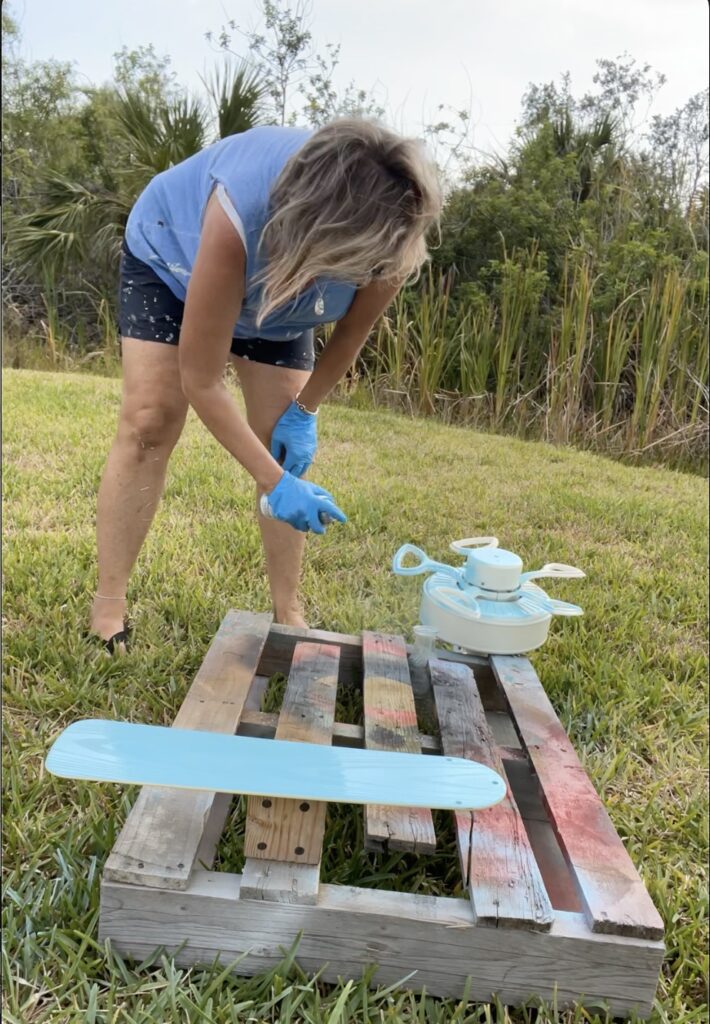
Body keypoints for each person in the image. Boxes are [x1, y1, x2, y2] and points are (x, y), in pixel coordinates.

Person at [91, 118, 441, 651]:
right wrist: (274, 483)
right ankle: (108, 610)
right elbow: (202, 380)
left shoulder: (393, 225)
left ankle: (289, 612)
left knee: (280, 436)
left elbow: (353, 332)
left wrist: (306, 411)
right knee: (151, 420)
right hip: (175, 262)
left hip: (283, 294)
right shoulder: (240, 213)